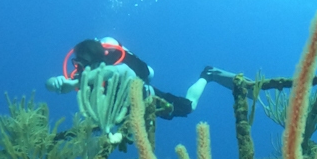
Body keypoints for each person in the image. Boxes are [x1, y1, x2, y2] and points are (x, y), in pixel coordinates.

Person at [46, 37, 236, 120]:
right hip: (121, 107)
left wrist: (73, 84)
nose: (81, 68)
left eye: (86, 64)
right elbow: (50, 84)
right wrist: (55, 83)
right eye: (78, 63)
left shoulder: (118, 67)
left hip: (147, 97)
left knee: (189, 106)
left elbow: (115, 73)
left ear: (98, 61)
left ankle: (207, 75)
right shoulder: (82, 72)